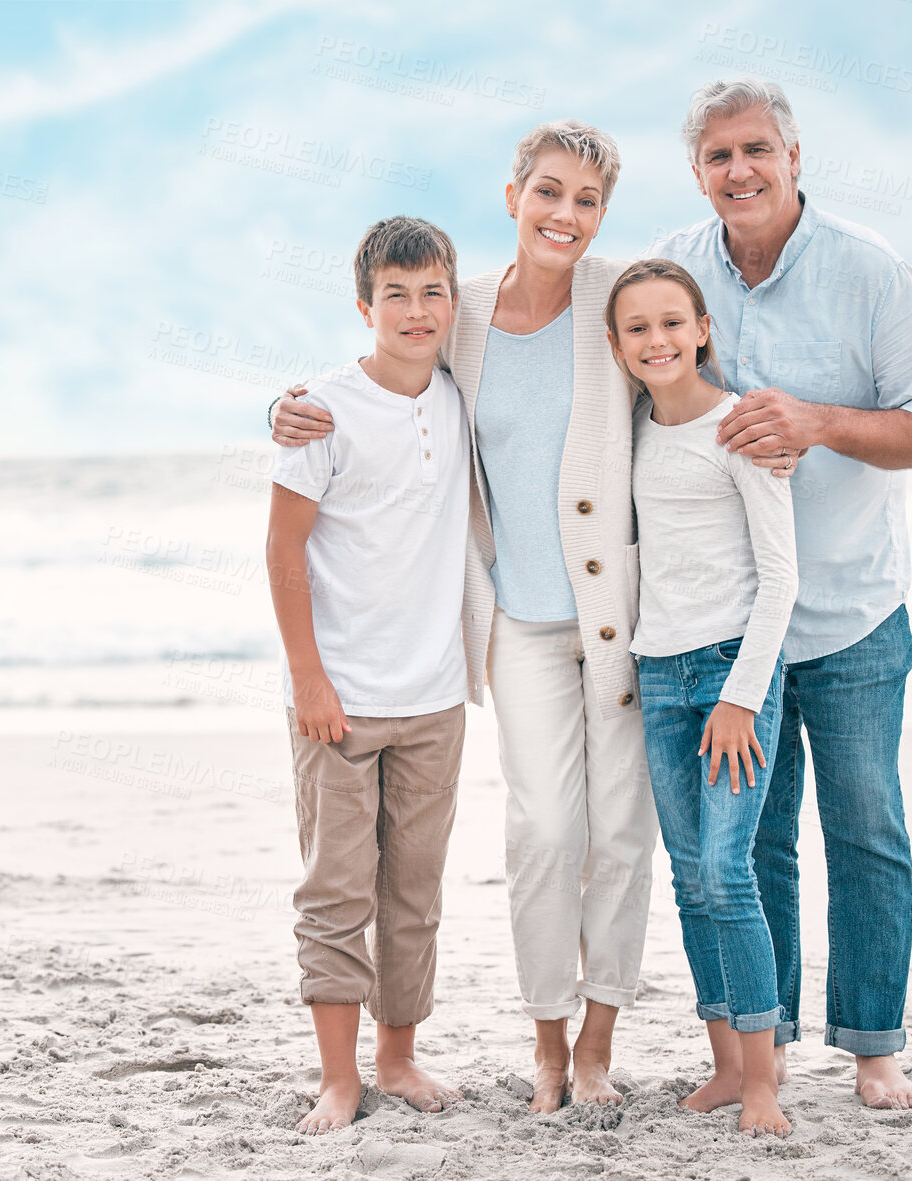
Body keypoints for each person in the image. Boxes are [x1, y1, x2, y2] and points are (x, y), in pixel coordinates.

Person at [270, 122, 792, 1111]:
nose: (565, 215)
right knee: (547, 830)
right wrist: (284, 405)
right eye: (547, 192)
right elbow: (382, 370)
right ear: (512, 195)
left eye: (586, 200)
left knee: (624, 837)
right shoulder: (458, 312)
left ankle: (597, 1042)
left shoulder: (616, 296)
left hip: (626, 620)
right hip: (512, 621)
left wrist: (774, 425)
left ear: (603, 215)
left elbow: (691, 353)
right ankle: (546, 1036)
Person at [649, 78, 912, 1110]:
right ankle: (758, 1051)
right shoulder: (674, 272)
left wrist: (817, 421)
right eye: (719, 156)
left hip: (856, 610)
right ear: (695, 173)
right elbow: (573, 351)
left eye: (757, 150)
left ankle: (874, 1049)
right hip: (734, 631)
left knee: (865, 825)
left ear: (793, 157)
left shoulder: (870, 271)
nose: (740, 171)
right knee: (753, 843)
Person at [266, 215, 469, 1135]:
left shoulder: (461, 393)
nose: (416, 310)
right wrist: (309, 679)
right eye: (396, 294)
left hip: (434, 696)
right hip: (338, 702)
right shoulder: (323, 410)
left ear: (453, 303)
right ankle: (339, 1076)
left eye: (432, 292)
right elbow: (282, 549)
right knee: (337, 890)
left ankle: (398, 1055)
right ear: (364, 306)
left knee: (413, 892)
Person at [607, 258, 798, 1136]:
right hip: (656, 672)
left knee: (728, 872)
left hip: (731, 677)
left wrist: (741, 696)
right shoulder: (630, 433)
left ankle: (763, 1080)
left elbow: (780, 577)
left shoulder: (741, 429)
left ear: (701, 329)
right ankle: (723, 1065)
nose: (657, 340)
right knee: (688, 880)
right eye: (637, 327)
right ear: (616, 345)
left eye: (671, 323)